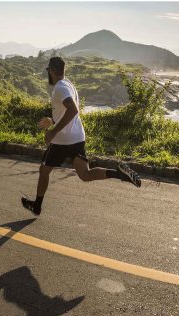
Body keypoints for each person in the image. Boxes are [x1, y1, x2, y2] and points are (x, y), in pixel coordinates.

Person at [21, 57, 140, 216]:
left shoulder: (60, 88)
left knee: (44, 170)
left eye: (48, 70)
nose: (48, 73)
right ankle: (118, 173)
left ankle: (37, 206)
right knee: (85, 174)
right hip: (77, 137)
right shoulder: (68, 84)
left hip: (62, 140)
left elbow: (73, 110)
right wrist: (53, 120)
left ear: (52, 71)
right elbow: (66, 111)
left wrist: (53, 131)